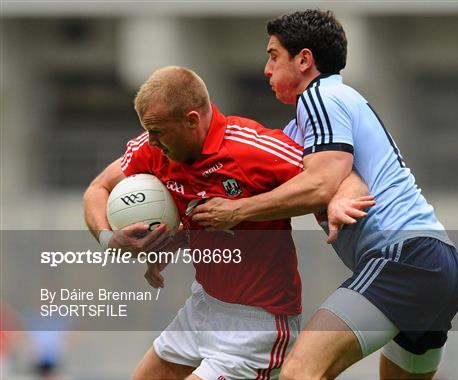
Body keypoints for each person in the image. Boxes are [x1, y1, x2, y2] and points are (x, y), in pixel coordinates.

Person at [191, 9, 458, 380]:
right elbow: (333, 177)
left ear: (304, 60)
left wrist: (237, 211)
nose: (266, 70)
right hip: (438, 262)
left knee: (300, 372)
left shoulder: (320, 96)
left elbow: (322, 181)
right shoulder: (308, 122)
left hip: (404, 257)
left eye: (274, 56)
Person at [83, 66, 374, 380]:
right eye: (147, 130)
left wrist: (346, 195)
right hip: (204, 305)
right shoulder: (153, 150)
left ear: (192, 120)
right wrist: (110, 239)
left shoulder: (251, 148)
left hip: (257, 325)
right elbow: (98, 189)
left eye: (158, 131)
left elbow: (335, 176)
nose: (150, 142)